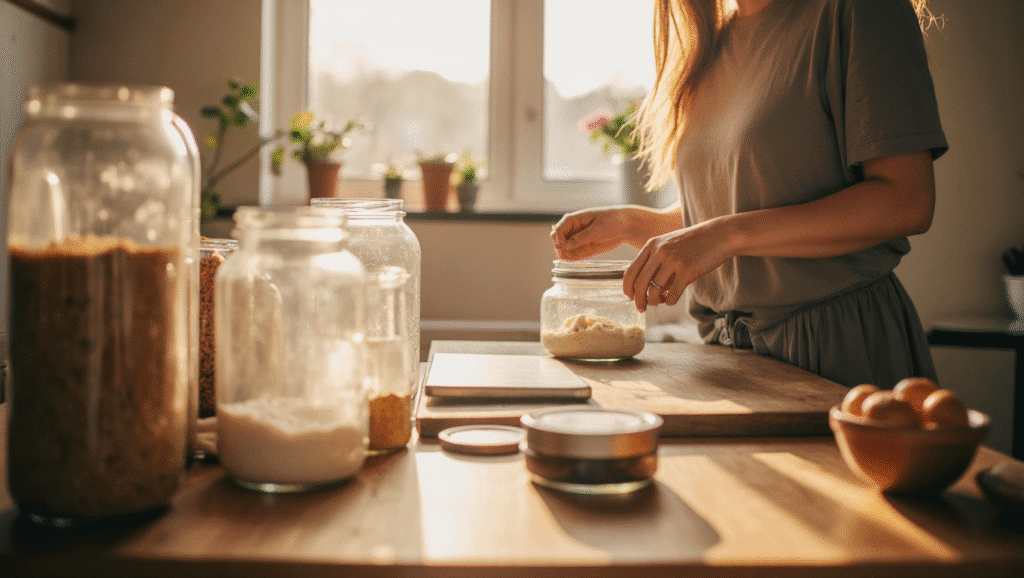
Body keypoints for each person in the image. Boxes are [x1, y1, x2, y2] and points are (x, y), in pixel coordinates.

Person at [550, 0, 946, 389]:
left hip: (841, 348)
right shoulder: (710, 45)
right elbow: (736, 212)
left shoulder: (860, 10)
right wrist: (632, 223)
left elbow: (907, 201)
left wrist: (725, 235)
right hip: (729, 358)